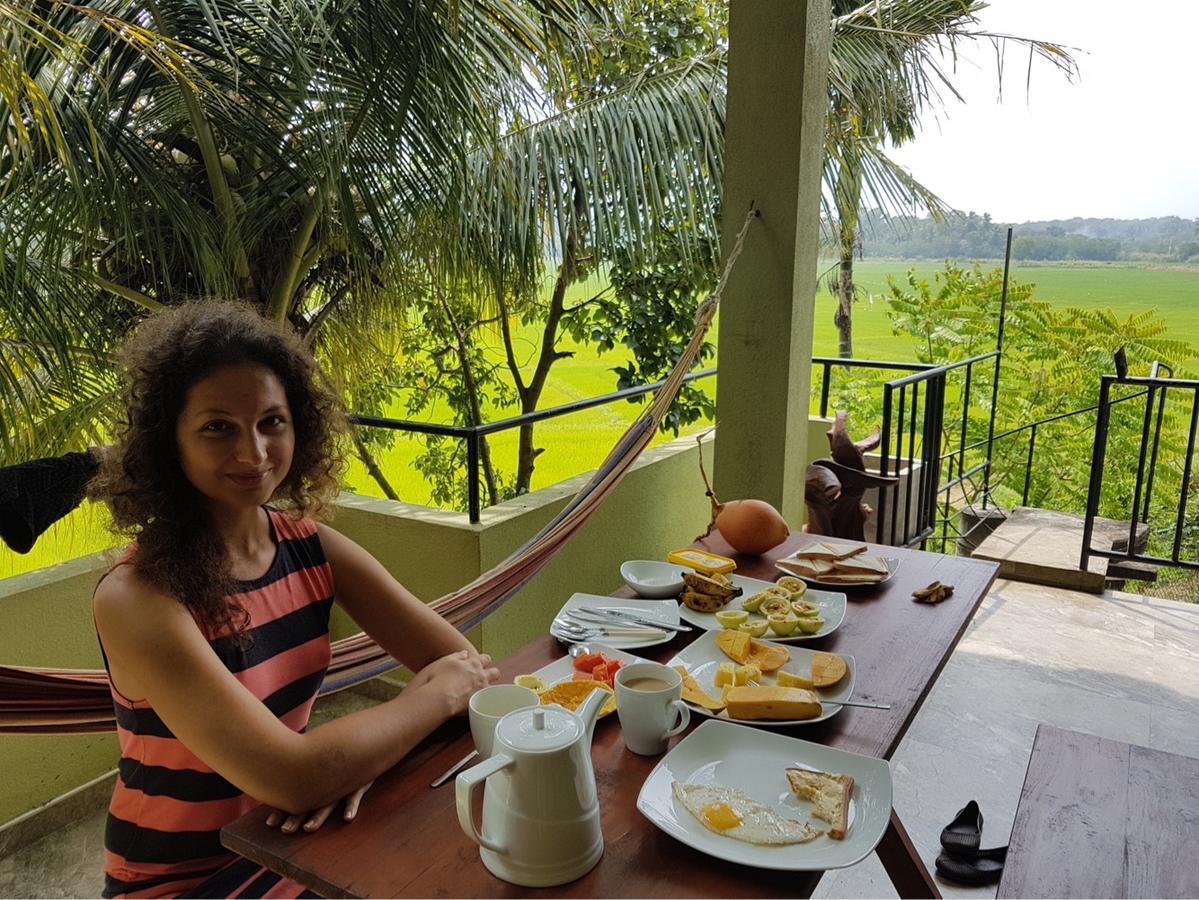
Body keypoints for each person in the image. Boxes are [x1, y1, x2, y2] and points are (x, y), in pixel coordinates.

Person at [88, 302, 499, 898]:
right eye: (217, 427)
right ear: (167, 442)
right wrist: (338, 762)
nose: (253, 453)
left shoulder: (311, 548)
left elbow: (469, 672)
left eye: (272, 422)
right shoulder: (139, 597)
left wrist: (357, 761)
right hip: (184, 881)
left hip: (301, 846)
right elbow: (292, 775)